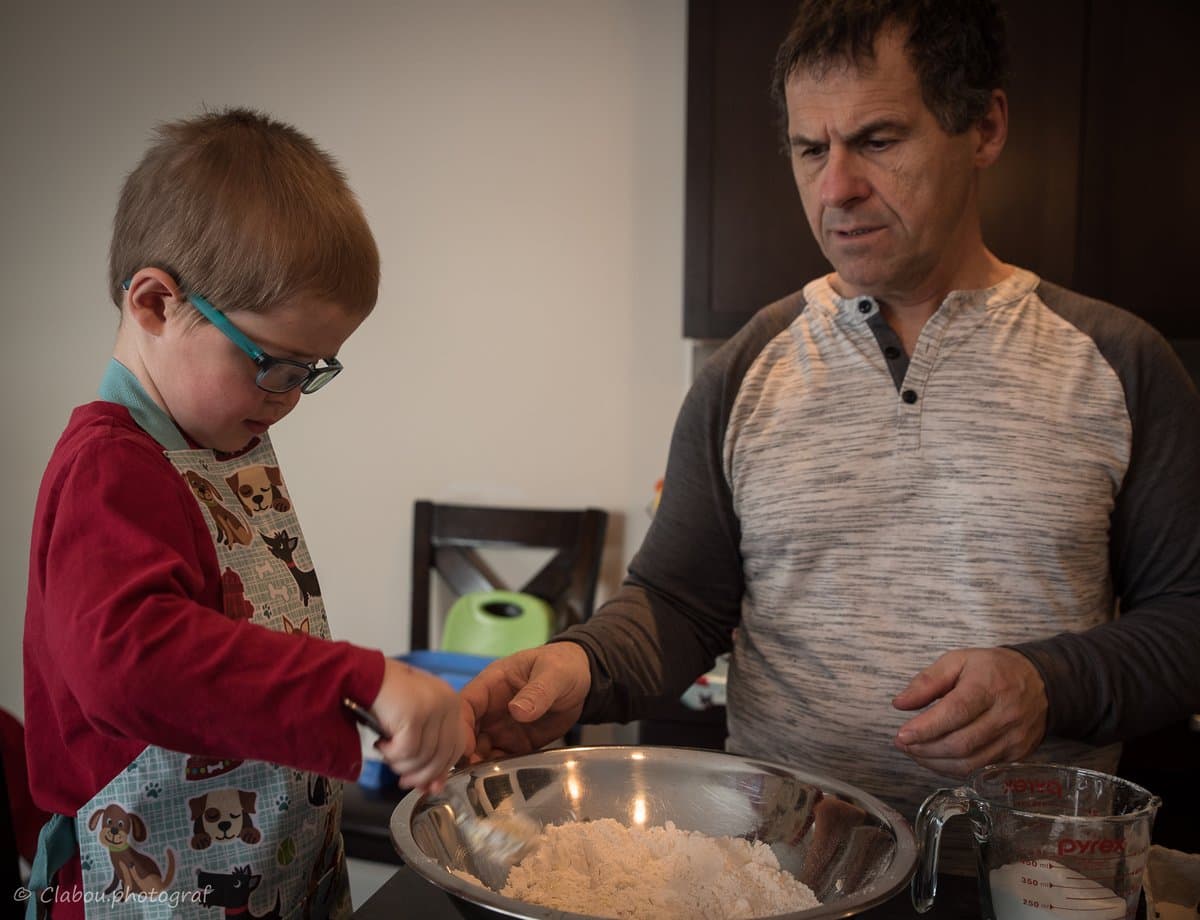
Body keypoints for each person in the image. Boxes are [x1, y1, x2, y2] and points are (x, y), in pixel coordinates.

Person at [461, 0, 1200, 875]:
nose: (835, 187)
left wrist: (1050, 685)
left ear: (985, 127)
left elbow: (1189, 620)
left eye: (878, 139)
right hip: (780, 878)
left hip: (1029, 885)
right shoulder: (746, 370)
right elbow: (679, 601)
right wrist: (577, 663)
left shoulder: (1120, 364)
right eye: (811, 149)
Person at [22, 108, 469, 919]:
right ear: (155, 304)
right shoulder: (108, 467)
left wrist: (368, 706)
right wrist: (358, 675)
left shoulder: (218, 442)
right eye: (273, 366)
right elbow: (134, 663)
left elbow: (244, 650)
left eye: (311, 372)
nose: (290, 400)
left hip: (272, 870)